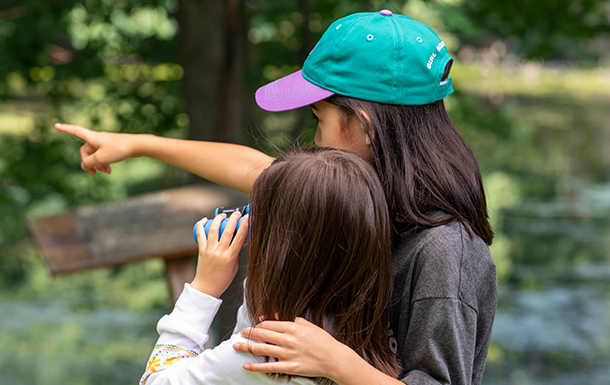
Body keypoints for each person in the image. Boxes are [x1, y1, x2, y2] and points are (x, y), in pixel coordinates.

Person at [56, 10, 497, 385]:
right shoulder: (343, 196)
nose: (315, 136)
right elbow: (250, 167)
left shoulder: (444, 250)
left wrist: (338, 363)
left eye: (319, 118)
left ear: (363, 125)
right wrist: (139, 144)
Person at [139, 147, 401, 385]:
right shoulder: (373, 326)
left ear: (280, 247)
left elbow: (155, 381)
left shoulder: (266, 350)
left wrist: (204, 289)